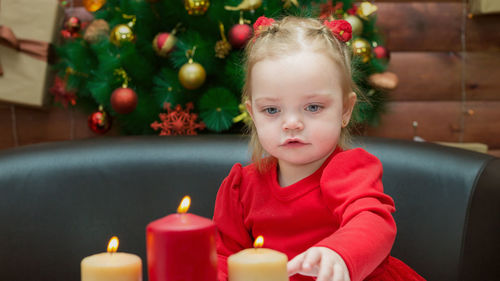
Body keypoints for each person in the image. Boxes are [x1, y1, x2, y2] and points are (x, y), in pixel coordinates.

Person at [213, 16, 425, 281]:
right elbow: (223, 257)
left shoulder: (351, 171)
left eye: (313, 107)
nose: (291, 124)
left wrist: (339, 254)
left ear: (345, 110)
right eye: (271, 110)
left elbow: (373, 222)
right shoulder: (241, 188)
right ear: (252, 114)